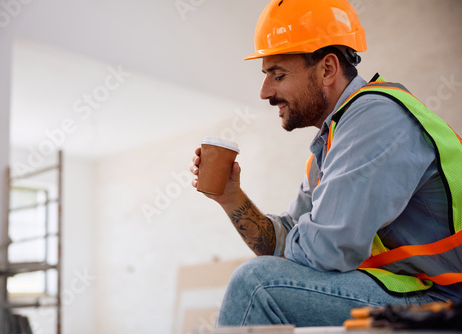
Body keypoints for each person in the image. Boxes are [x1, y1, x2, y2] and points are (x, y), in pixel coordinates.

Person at [189, 0, 462, 327]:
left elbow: (329, 249)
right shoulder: (332, 142)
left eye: (277, 75)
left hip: (446, 298)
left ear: (328, 69)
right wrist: (231, 197)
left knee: (257, 283)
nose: (264, 92)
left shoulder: (375, 115)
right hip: (418, 290)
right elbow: (286, 240)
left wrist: (300, 241)